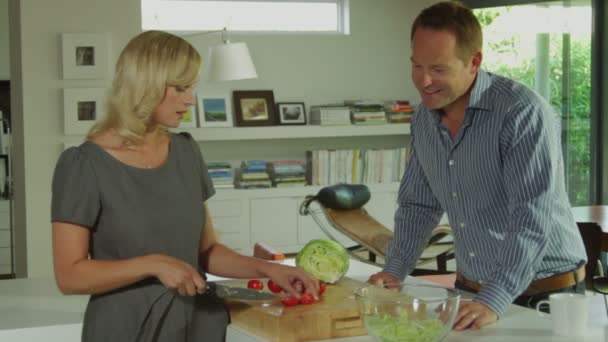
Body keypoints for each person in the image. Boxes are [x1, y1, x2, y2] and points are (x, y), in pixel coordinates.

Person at [51, 30, 319, 342]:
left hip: (198, 324)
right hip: (126, 328)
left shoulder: (186, 150)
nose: (190, 98)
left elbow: (206, 252)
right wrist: (153, 264)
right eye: (180, 87)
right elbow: (69, 275)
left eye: (191, 87)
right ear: (145, 85)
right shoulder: (84, 165)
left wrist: (269, 269)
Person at [368, 1, 587, 331]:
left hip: (543, 297)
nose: (423, 81)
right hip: (470, 292)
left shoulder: (522, 113)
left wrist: (494, 297)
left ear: (475, 62)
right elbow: (418, 204)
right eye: (416, 66)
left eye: (438, 69)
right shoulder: (423, 119)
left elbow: (531, 214)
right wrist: (395, 270)